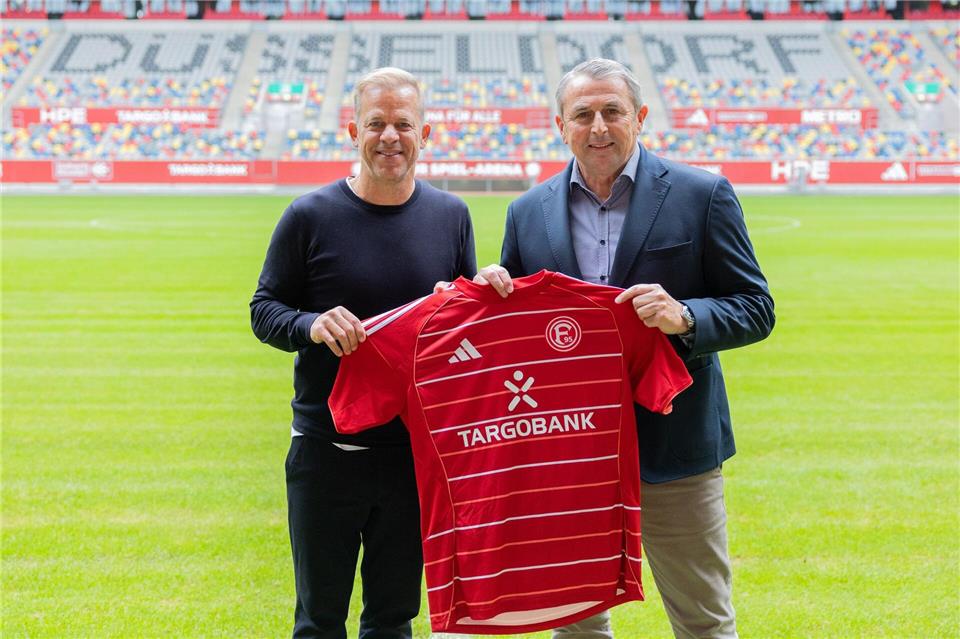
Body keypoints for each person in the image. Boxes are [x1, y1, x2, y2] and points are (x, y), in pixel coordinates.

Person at [470, 58, 775, 638]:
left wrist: (685, 316)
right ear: (560, 125)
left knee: (703, 621)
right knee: (576, 623)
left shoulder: (701, 194)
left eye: (612, 111)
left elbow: (756, 308)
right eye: (583, 114)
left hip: (676, 448)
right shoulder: (527, 211)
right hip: (569, 452)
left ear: (639, 117)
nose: (599, 127)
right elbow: (511, 330)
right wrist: (490, 293)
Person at [250, 67, 477, 639]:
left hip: (412, 454)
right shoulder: (309, 215)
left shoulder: (451, 216)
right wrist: (310, 324)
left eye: (404, 124)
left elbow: (465, 327)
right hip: (326, 451)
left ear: (427, 134)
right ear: (354, 130)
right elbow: (265, 309)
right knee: (319, 619)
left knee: (393, 618)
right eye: (376, 123)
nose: (390, 136)